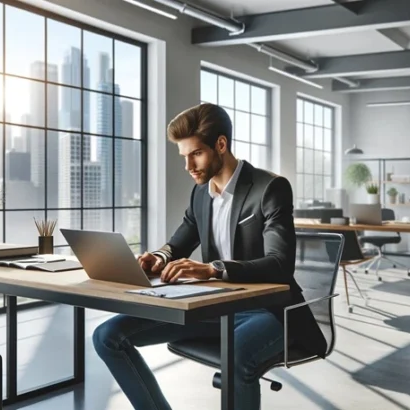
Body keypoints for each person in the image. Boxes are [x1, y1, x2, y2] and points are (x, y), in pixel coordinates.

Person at [92, 103, 327, 410]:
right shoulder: (201, 193)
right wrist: (159, 258)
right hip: (212, 308)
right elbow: (180, 240)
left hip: (268, 312)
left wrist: (214, 270)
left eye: (196, 153)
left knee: (236, 357)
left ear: (221, 144)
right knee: (107, 335)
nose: (188, 165)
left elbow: (280, 265)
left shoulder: (270, 188)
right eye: (184, 156)